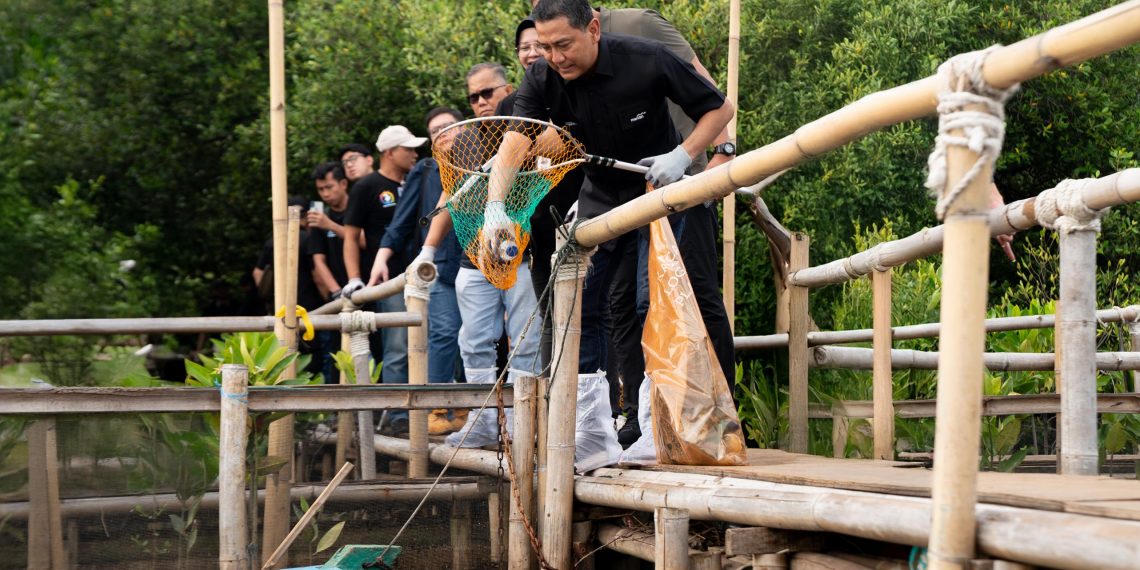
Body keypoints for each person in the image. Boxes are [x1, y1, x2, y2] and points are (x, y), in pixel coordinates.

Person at [490, 0, 736, 442]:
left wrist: (683, 156)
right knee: (590, 302)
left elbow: (719, 108)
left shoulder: (643, 57)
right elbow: (515, 137)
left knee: (665, 300)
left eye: (564, 44)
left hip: (663, 187)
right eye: (545, 46)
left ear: (594, 29)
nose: (555, 56)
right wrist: (495, 207)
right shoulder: (543, 76)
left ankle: (693, 425)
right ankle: (598, 430)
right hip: (602, 194)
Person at [420, 62, 543, 447]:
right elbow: (450, 195)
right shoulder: (463, 139)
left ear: (508, 89)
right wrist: (427, 249)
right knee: (472, 341)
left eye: (487, 93)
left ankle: (526, 423)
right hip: (473, 259)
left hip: (524, 253)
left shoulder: (529, 127)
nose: (481, 102)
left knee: (525, 339)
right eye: (473, 97)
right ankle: (485, 421)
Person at [372, 107, 469, 434]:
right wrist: (381, 258)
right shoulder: (427, 170)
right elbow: (401, 220)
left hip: (481, 263)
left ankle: (469, 408)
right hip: (439, 266)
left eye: (450, 127)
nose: (444, 135)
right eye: (436, 131)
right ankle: (437, 406)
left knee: (476, 338)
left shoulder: (484, 161)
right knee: (444, 331)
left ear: (466, 128)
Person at [339, 127, 425, 433]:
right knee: (398, 345)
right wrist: (353, 278)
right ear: (389, 152)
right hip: (388, 278)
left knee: (430, 340)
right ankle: (398, 415)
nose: (415, 154)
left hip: (425, 274)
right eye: (408, 149)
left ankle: (430, 408)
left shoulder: (420, 180)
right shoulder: (367, 186)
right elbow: (350, 237)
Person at [308, 161, 351, 383]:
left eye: (329, 187)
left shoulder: (356, 209)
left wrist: (330, 225)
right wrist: (336, 292)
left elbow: (363, 242)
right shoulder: (317, 219)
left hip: (367, 287)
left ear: (343, 183)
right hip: (338, 297)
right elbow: (318, 261)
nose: (325, 194)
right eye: (320, 189)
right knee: (337, 353)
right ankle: (338, 412)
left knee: (378, 348)